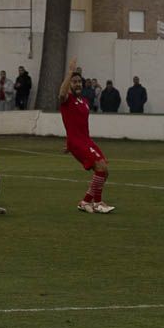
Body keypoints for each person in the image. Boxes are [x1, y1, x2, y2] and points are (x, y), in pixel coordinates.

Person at [59, 57, 113, 213]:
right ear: (69, 84)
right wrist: (70, 72)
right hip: (78, 143)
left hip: (86, 141)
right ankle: (98, 203)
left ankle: (85, 201)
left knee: (105, 171)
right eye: (74, 82)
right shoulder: (66, 100)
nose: (77, 84)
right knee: (100, 167)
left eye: (79, 82)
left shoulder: (84, 101)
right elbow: (62, 93)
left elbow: (76, 124)